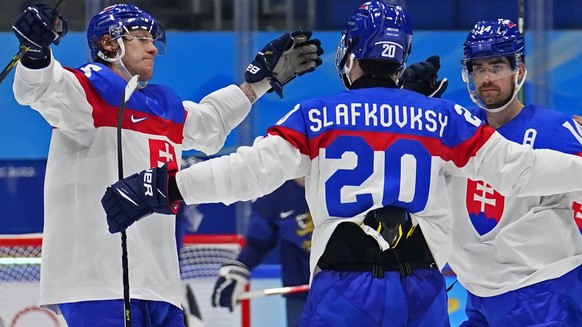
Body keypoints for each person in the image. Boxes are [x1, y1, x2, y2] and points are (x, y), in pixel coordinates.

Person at [101, 2, 582, 326]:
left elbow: (247, 172)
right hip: (422, 289)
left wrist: (164, 186)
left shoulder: (319, 115)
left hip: (343, 288)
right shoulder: (443, 116)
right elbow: (522, 169)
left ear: (350, 55)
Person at [11, 2, 323, 326]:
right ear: (108, 43)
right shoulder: (89, 92)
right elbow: (43, 89)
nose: (152, 48)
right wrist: (36, 53)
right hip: (98, 284)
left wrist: (259, 83)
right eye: (141, 37)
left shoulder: (161, 104)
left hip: (161, 287)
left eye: (153, 40)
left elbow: (209, 125)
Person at [446, 19, 582, 326]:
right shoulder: (457, 130)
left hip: (545, 292)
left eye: (496, 67)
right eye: (478, 69)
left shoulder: (556, 130)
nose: (486, 78)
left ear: (518, 71)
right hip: (479, 294)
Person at [211, 178, 311, 327]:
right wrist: (239, 266)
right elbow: (259, 241)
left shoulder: (338, 176)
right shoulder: (273, 190)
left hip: (347, 281)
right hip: (300, 287)